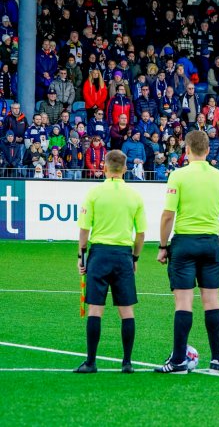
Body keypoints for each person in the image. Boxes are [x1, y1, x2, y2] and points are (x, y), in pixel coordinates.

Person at [155, 130, 219, 374]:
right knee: (212, 302)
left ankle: (178, 361)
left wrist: (162, 246)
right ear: (208, 150)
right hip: (210, 243)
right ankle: (216, 361)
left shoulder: (178, 176)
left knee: (183, 303)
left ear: (186, 149)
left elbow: (168, 215)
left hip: (185, 244)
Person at [73, 150, 146, 374]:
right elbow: (141, 233)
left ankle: (91, 362)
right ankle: (127, 363)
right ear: (125, 169)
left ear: (104, 167)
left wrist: (81, 256)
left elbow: (84, 230)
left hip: (100, 254)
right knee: (127, 311)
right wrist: (134, 257)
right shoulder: (135, 196)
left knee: (96, 308)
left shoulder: (94, 193)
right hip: (123, 255)